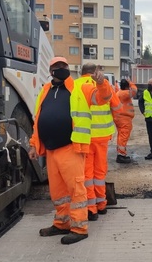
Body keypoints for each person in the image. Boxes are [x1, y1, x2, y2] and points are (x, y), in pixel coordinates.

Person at [29, 57, 111, 245]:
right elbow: (37, 120)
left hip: (71, 147)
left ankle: (79, 228)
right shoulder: (45, 90)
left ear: (68, 68)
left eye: (63, 66)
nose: (60, 69)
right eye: (56, 67)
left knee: (76, 189)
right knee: (58, 192)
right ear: (50, 71)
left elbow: (102, 98)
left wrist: (101, 83)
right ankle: (62, 223)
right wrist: (34, 144)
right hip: (51, 149)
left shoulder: (80, 87)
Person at [78, 63, 122, 220]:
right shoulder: (105, 86)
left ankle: (91, 208)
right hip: (103, 137)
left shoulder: (76, 85)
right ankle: (101, 204)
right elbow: (117, 108)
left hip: (84, 137)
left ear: (81, 72)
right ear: (95, 72)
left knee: (87, 174)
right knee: (100, 172)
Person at [114, 78, 138, 163]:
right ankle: (121, 155)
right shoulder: (124, 93)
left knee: (121, 136)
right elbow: (134, 90)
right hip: (124, 118)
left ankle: (120, 153)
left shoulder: (119, 93)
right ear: (127, 86)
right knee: (123, 136)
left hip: (120, 118)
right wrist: (131, 82)